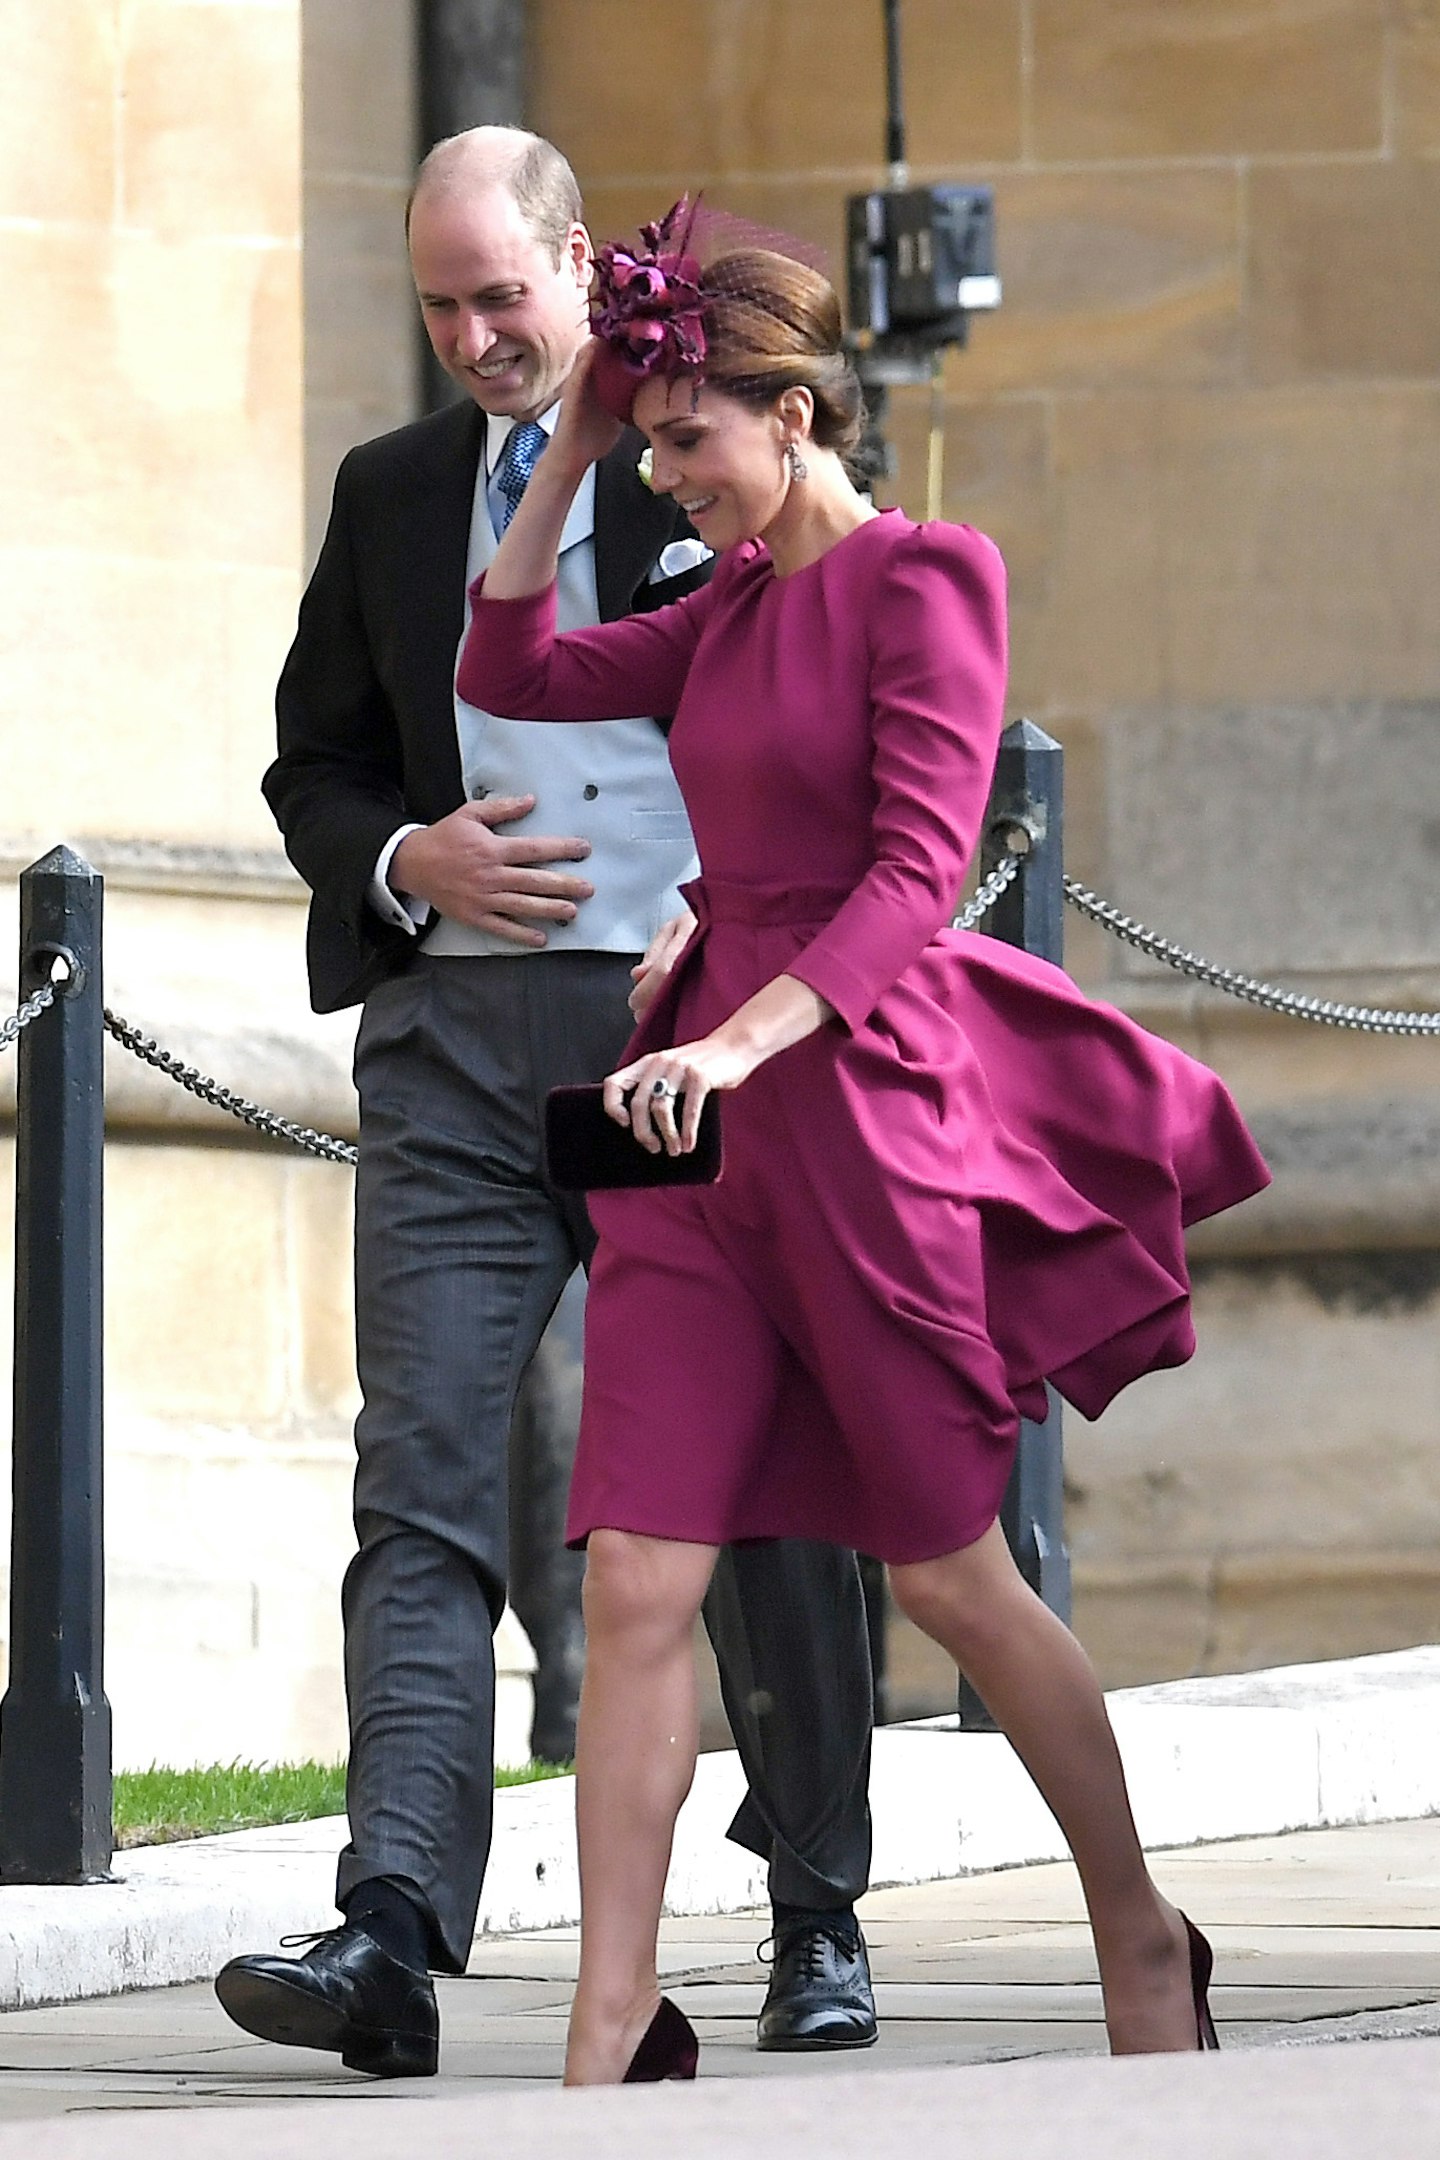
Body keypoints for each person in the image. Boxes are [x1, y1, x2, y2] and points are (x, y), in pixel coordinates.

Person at [457, 203, 1271, 2084]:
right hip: (697, 1131)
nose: (671, 479)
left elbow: (919, 871)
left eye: (689, 441)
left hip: (856, 1106)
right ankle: (611, 2022)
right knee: (638, 1576)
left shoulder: (928, 580)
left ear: (797, 411)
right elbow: (510, 671)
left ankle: (1136, 1925)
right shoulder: (715, 607)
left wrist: (747, 1039)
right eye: (649, 446)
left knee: (947, 1573)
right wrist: (565, 450)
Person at [213, 132, 879, 2079]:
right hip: (450, 1057)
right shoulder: (397, 492)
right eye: (442, 303)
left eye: (504, 294)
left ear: (581, 262)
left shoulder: (715, 456)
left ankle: (815, 1909)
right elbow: (310, 770)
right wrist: (408, 857)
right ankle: (393, 1928)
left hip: (671, 1055)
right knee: (418, 1478)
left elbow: (853, 725)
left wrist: (733, 909)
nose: (477, 335)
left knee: (754, 1483)